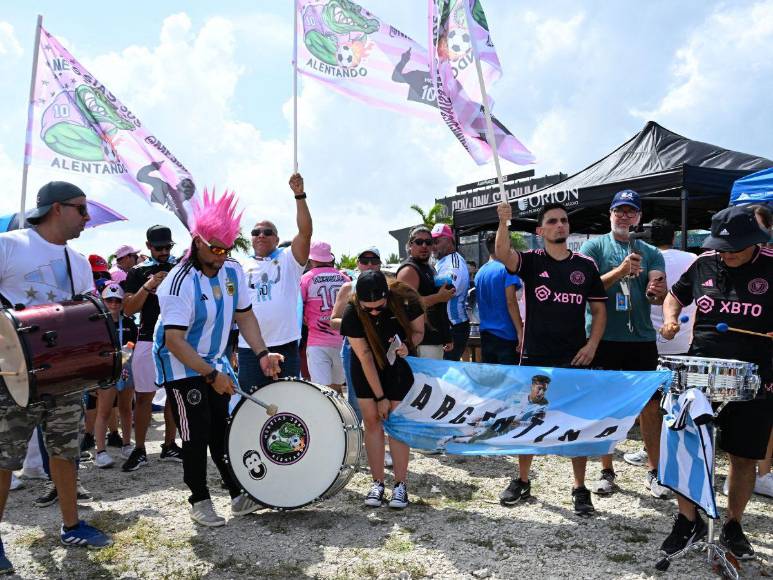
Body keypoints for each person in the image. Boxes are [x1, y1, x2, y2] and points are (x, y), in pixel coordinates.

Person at [153, 189, 284, 526]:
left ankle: (238, 494)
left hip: (214, 359)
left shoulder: (232, 271)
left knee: (221, 429)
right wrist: (211, 375)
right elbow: (175, 341)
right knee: (195, 432)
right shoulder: (177, 282)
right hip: (181, 363)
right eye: (214, 248)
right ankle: (199, 499)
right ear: (197, 241)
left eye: (226, 249)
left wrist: (262, 352)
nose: (220, 257)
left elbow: (245, 316)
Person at [0, 182, 112, 570]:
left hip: (64, 375)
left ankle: (71, 524)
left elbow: (87, 315)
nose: (87, 217)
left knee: (66, 451)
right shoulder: (9, 245)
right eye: (81, 209)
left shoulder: (77, 261)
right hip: (13, 374)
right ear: (56, 209)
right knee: (3, 459)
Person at [659, 206, 772, 560]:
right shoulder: (703, 263)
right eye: (722, 247)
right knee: (689, 448)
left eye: (734, 247)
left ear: (754, 240)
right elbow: (673, 297)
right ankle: (687, 519)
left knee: (742, 456)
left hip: (756, 377)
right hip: (700, 375)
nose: (727, 253)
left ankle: (734, 525)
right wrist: (670, 319)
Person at [496, 201, 607, 515]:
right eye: (553, 221)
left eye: (563, 221)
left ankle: (579, 487)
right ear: (540, 230)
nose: (560, 225)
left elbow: (599, 310)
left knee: (577, 422)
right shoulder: (531, 261)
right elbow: (503, 254)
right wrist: (504, 223)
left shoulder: (585, 265)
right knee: (530, 416)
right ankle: (522, 480)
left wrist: (592, 345)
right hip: (535, 355)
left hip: (575, 358)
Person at [579, 190, 669, 498]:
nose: (625, 217)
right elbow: (588, 287)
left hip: (641, 339)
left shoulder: (650, 251)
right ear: (611, 214)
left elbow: (657, 291)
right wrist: (620, 271)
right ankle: (607, 470)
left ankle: (654, 472)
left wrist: (657, 288)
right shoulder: (594, 246)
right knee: (606, 406)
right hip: (603, 338)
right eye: (620, 211)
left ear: (639, 217)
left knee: (651, 407)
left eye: (631, 212)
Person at [340, 271, 425, 509]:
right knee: (372, 421)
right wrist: (379, 397)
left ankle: (400, 484)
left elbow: (419, 332)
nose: (375, 312)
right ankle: (377, 482)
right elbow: (365, 356)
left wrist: (409, 345)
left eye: (380, 307)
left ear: (388, 296)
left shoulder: (407, 299)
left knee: (396, 424)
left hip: (397, 366)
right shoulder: (352, 311)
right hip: (367, 367)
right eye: (369, 309)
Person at [624, 219, 697, 468]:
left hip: (646, 342)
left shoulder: (638, 258)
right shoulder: (692, 259)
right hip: (683, 340)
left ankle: (650, 450)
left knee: (650, 405)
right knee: (678, 401)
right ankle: (675, 451)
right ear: (674, 237)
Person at [239, 173, 312, 391]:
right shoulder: (238, 266)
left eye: (267, 232)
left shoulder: (288, 258)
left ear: (277, 239)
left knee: (286, 404)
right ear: (251, 238)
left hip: (285, 344)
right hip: (249, 348)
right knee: (252, 407)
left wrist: (299, 196)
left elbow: (305, 233)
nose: (261, 235)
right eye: (256, 232)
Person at [122, 225, 182, 471]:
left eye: (168, 247)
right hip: (147, 338)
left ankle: (169, 444)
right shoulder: (137, 272)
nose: (164, 252)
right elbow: (128, 309)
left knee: (174, 395)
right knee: (144, 396)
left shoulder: (180, 268)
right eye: (159, 248)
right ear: (148, 246)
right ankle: (139, 449)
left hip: (177, 338)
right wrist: (148, 286)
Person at [94, 284, 137, 468]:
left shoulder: (128, 322)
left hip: (126, 369)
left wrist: (125, 357)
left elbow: (132, 344)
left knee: (126, 409)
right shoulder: (97, 323)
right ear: (102, 302)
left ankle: (127, 445)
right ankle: (100, 452)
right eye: (109, 300)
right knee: (104, 411)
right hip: (106, 371)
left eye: (117, 300)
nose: (113, 303)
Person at [396, 226, 453, 359]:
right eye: (419, 242)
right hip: (421, 342)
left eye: (428, 242)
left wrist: (446, 335)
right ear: (410, 245)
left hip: (434, 339)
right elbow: (405, 307)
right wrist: (438, 297)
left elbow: (438, 305)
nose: (424, 245)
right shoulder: (408, 271)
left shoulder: (429, 267)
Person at [300, 241, 350, 391]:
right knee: (337, 389)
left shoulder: (306, 278)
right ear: (329, 258)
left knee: (322, 391)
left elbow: (298, 307)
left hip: (317, 341)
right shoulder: (345, 278)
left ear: (312, 259)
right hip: (341, 339)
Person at [475, 232, 523, 364]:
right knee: (509, 382)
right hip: (506, 336)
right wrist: (520, 331)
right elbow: (511, 302)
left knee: (491, 382)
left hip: (486, 336)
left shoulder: (479, 273)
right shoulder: (507, 269)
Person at [431, 224, 470, 361]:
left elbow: (449, 289)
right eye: (431, 242)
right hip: (447, 327)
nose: (432, 246)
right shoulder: (441, 261)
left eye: (437, 241)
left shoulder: (454, 261)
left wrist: (424, 280)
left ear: (449, 240)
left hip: (454, 328)